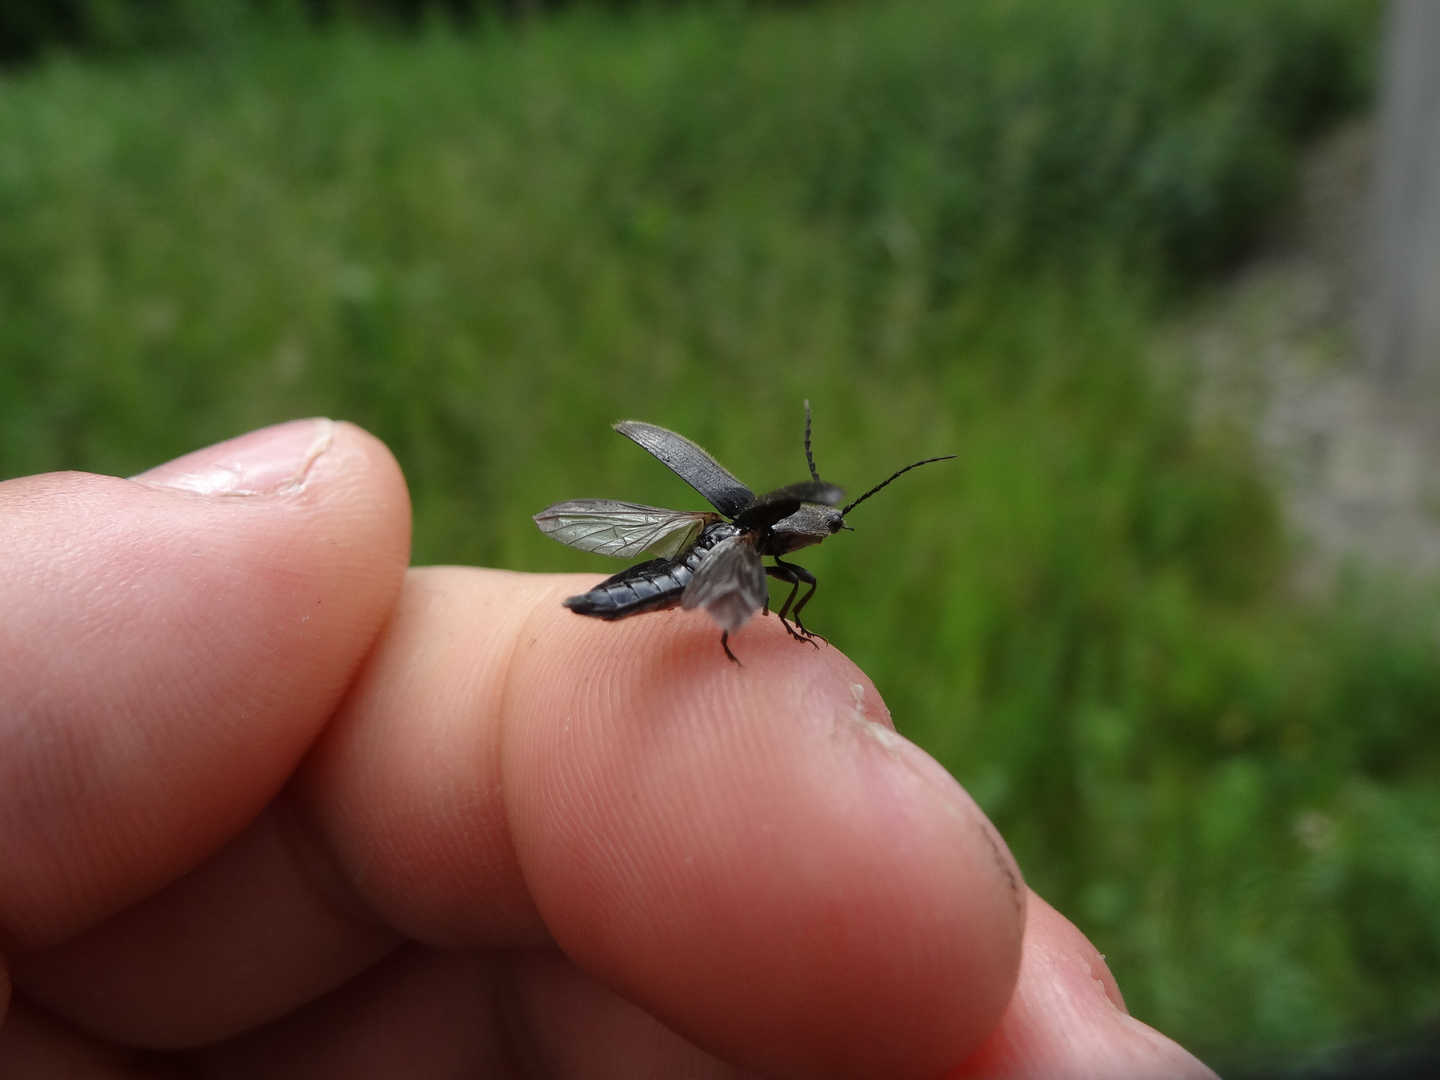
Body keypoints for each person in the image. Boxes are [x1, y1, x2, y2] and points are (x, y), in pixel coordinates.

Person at [0, 418, 1215, 1078]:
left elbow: (740, 545)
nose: (826, 536)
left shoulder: (752, 530)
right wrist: (745, 608)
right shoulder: (750, 552)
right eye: (823, 524)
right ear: (794, 524)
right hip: (681, 577)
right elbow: (741, 582)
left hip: (687, 563)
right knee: (716, 611)